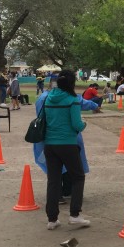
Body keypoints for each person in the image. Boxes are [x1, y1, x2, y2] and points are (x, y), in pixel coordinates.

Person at [34, 75, 97, 205]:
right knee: (76, 173)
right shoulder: (71, 98)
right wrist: (85, 121)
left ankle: (54, 207)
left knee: (53, 173)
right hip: (68, 140)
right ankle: (74, 210)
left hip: (48, 139)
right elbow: (77, 121)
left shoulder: (44, 98)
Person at [42, 70, 90, 230]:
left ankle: (52, 218)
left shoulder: (48, 97)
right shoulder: (72, 100)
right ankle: (75, 214)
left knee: (53, 181)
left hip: (49, 145)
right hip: (67, 144)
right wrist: (84, 124)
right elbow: (77, 125)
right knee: (78, 177)